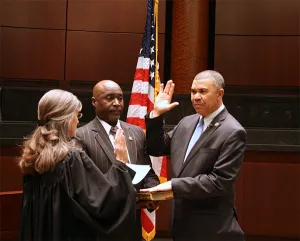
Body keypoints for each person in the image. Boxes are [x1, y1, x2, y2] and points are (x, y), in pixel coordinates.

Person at [141, 70, 247, 241]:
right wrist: (157, 114)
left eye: (203, 91)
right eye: (193, 91)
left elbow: (219, 182)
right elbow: (156, 148)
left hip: (212, 229)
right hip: (182, 225)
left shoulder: (233, 132)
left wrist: (173, 185)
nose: (196, 97)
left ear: (220, 94)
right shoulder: (187, 123)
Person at [18, 89, 137, 241]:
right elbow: (104, 203)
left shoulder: (33, 156)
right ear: (66, 118)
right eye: (77, 115)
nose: (78, 120)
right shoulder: (70, 158)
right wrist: (120, 163)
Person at [76, 80, 160, 241]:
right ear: (94, 102)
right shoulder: (81, 136)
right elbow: (86, 185)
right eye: (110, 98)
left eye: (120, 98)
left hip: (132, 227)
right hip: (101, 227)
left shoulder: (136, 133)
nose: (117, 103)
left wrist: (152, 192)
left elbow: (147, 172)